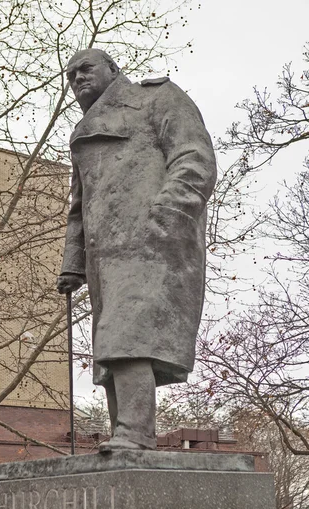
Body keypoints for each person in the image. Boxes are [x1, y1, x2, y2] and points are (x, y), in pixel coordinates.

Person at [57, 49, 217, 451]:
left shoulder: (157, 98)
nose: (77, 79)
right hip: (103, 256)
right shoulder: (83, 131)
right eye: (70, 74)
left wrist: (165, 216)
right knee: (112, 349)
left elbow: (194, 158)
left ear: (113, 69)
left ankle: (134, 433)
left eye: (85, 69)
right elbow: (80, 205)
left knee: (127, 336)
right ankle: (124, 436)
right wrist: (72, 263)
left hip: (152, 244)